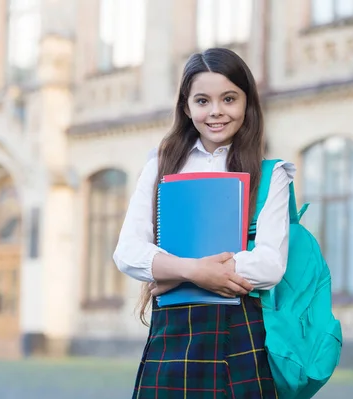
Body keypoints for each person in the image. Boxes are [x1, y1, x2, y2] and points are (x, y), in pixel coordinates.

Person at [113, 47, 296, 399]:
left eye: (229, 99)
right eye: (202, 100)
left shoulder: (272, 174)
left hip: (241, 334)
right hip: (174, 336)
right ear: (186, 106)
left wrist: (172, 271)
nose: (216, 111)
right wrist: (194, 271)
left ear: (247, 103)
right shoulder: (160, 165)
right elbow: (128, 251)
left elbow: (270, 264)